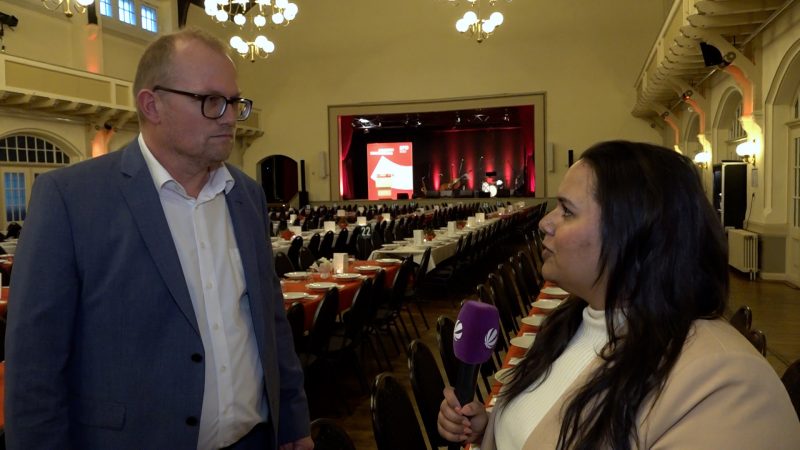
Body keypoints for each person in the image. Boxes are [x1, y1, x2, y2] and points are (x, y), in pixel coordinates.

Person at [5, 29, 313, 450]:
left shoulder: (245, 195)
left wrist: (292, 418)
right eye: (210, 101)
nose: (228, 116)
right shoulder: (72, 198)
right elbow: (35, 366)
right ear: (152, 105)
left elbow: (269, 317)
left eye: (234, 101)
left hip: (254, 440)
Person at [438, 141, 800, 449]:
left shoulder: (728, 385)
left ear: (633, 234)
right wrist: (492, 429)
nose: (545, 222)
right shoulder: (571, 323)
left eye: (567, 211)